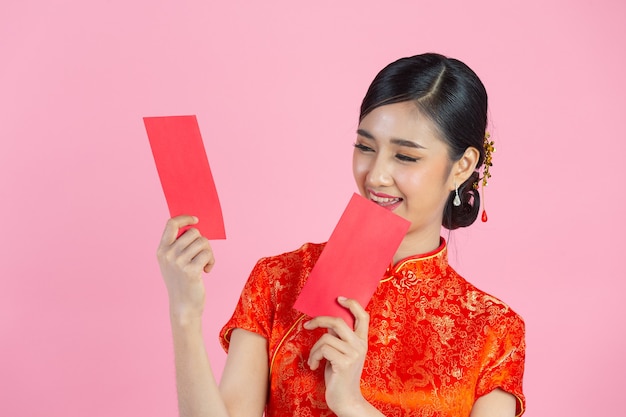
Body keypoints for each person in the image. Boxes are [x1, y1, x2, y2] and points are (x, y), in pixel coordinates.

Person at [157, 53, 526, 417]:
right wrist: (185, 313)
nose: (376, 175)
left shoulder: (492, 331)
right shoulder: (278, 282)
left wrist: (352, 404)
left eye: (405, 157)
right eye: (365, 147)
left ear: (462, 166)